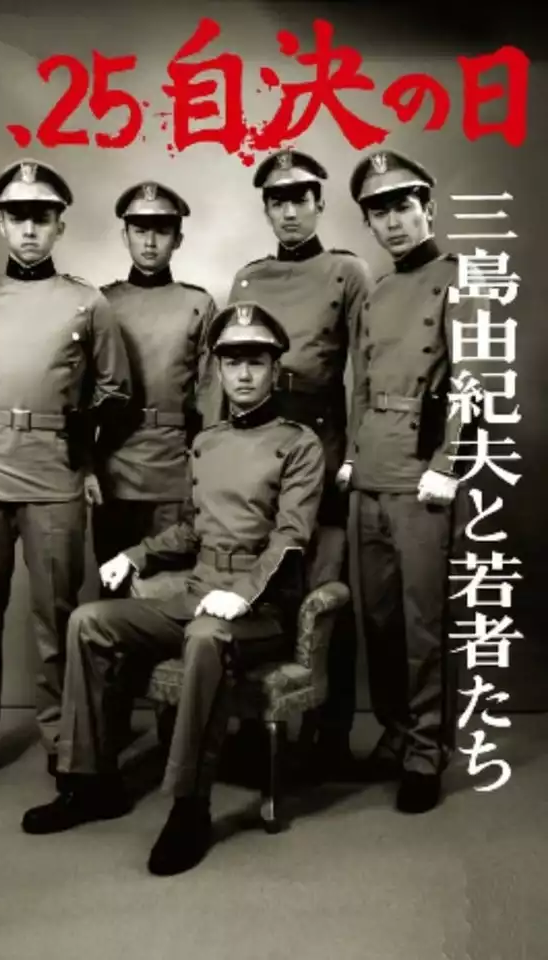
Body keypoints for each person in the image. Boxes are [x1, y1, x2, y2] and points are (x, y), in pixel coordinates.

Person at [20, 302, 325, 877]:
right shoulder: (206, 442)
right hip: (196, 592)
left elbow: (291, 537)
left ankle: (189, 806)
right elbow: (190, 527)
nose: (242, 374)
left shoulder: (299, 443)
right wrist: (134, 555)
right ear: (218, 369)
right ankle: (91, 782)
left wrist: (244, 593)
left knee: (207, 637)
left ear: (274, 368)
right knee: (89, 622)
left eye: (255, 361)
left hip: (258, 611)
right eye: (231, 361)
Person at [0, 158, 132, 798]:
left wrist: (86, 452)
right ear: (1, 224)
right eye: (18, 217)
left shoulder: (87, 301)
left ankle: (61, 737)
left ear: (60, 225)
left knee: (57, 617)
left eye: (42, 217)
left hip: (53, 475)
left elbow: (116, 391)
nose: (29, 229)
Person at [338, 149, 482, 812]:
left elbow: (474, 381)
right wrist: (350, 456)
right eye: (379, 212)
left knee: (424, 621)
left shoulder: (459, 278)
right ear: (368, 223)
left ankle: (426, 749)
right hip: (371, 469)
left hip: (423, 472)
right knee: (378, 620)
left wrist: (450, 464)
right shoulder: (375, 293)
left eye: (402, 207)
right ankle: (396, 733)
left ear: (428, 208)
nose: (392, 222)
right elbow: (360, 385)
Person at [225, 148, 374, 774]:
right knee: (258, 578)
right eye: (277, 202)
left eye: (300, 200)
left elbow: (367, 371)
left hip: (323, 445)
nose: (289, 212)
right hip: (258, 447)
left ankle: (329, 734)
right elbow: (230, 371)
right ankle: (250, 726)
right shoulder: (249, 278)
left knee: (324, 586)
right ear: (266, 210)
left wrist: (355, 453)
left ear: (320, 204)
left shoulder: (347, 271)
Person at [93, 181, 216, 583]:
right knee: (114, 591)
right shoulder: (101, 303)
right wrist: (86, 467)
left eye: (162, 231)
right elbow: (79, 395)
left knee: (170, 591)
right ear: (124, 235)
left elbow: (212, 397)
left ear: (178, 239)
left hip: (173, 472)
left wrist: (206, 473)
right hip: (115, 470)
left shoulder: (198, 305)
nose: (149, 242)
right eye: (140, 230)